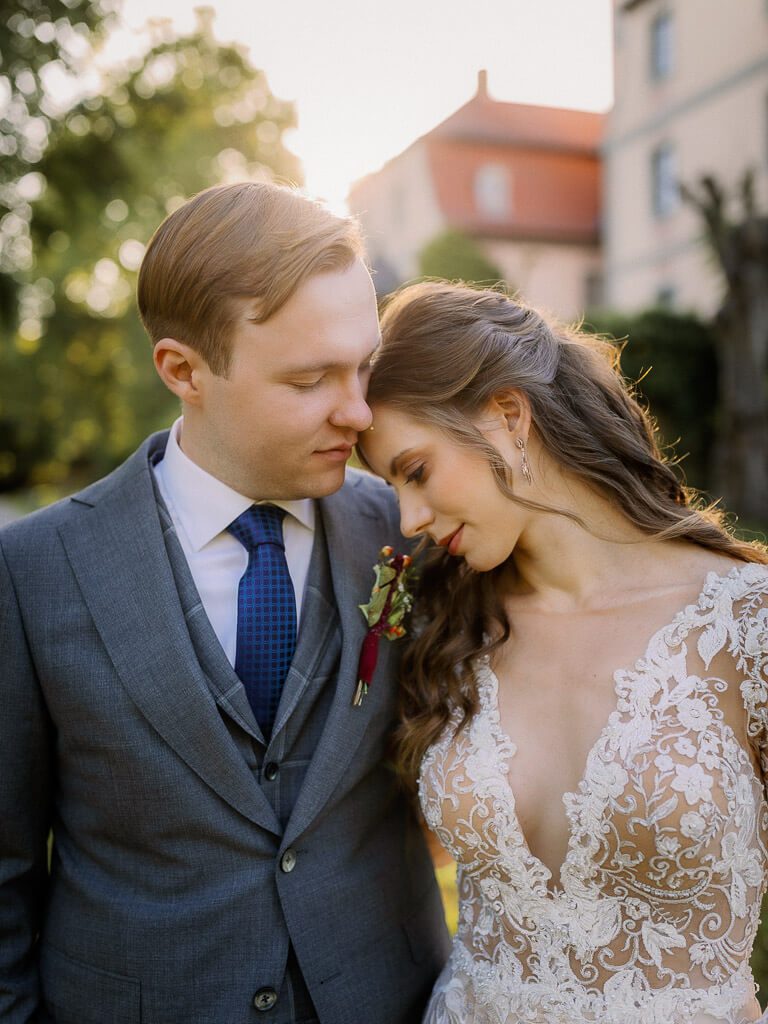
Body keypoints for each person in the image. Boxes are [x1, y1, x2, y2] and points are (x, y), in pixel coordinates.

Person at [0, 183, 450, 1024]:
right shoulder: (32, 571)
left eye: (364, 366)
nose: (356, 411)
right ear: (183, 370)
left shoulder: (416, 531)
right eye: (311, 379)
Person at [357, 280, 768, 1024]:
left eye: (415, 471)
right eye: (392, 487)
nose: (410, 517)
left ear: (509, 417)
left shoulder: (747, 622)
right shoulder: (444, 635)